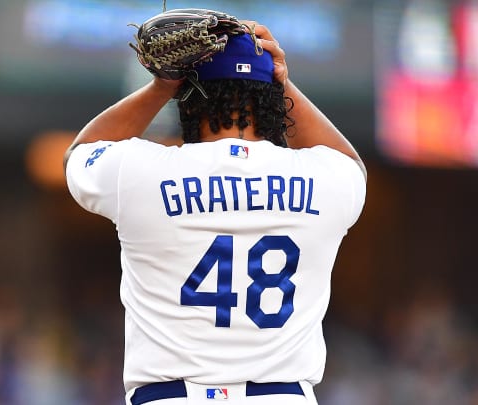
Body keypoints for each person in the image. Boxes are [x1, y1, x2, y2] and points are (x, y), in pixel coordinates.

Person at [64, 20, 367, 405]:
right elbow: (351, 163)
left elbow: (80, 153)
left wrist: (162, 86)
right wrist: (284, 82)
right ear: (271, 99)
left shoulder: (138, 170)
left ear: (188, 99)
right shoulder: (324, 178)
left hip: (171, 397)